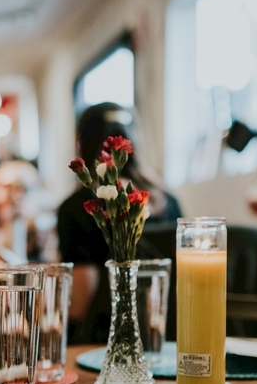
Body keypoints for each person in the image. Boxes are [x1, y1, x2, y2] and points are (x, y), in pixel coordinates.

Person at [57, 102, 182, 343]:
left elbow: (81, 305)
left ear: (80, 143)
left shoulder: (77, 208)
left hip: (104, 345)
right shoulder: (168, 202)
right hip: (167, 338)